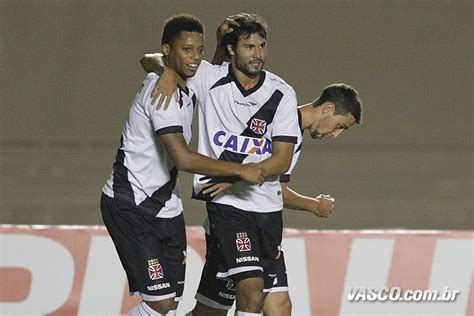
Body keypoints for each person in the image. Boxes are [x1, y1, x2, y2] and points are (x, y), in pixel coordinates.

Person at [100, 14, 265, 316]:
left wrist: (214, 46)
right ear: (167, 51)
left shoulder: (184, 81)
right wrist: (242, 170)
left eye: (199, 51)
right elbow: (183, 158)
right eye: (187, 50)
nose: (195, 58)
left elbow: (197, 74)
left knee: (170, 305)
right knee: (160, 303)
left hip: (167, 210)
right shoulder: (160, 93)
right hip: (131, 205)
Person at [141, 13, 300, 315]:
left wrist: (238, 177)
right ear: (231, 49)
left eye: (262, 46)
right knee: (252, 289)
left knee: (215, 307)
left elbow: (281, 159)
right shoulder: (209, 77)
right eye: (249, 47)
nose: (258, 54)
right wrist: (165, 72)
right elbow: (151, 57)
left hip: (267, 210)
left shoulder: (282, 93)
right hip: (227, 207)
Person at [194, 83, 363, 316]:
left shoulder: (293, 129)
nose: (336, 134)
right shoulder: (282, 122)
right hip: (235, 220)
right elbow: (264, 181)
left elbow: (273, 188)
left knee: (279, 308)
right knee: (228, 305)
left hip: (264, 223)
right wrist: (314, 205)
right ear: (328, 108)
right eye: (340, 125)